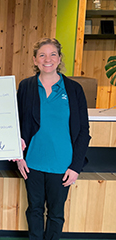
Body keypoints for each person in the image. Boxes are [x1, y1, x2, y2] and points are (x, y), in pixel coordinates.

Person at [16, 38, 90, 240]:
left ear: (59, 59)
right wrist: (18, 156)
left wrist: (75, 167)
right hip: (32, 163)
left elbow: (84, 131)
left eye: (52, 54)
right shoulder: (26, 87)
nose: (47, 59)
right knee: (34, 211)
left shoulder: (74, 90)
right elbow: (15, 125)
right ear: (34, 59)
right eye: (42, 55)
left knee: (56, 215)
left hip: (63, 165)